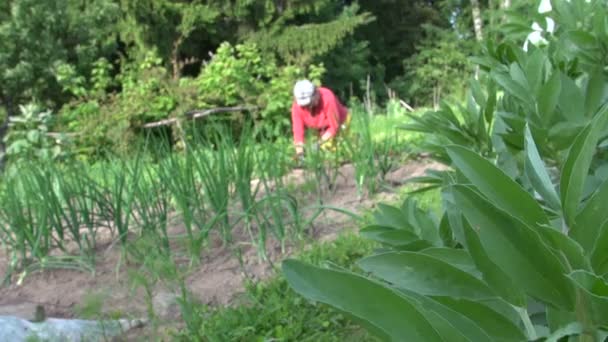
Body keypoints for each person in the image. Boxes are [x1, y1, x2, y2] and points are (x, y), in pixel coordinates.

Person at [290, 80, 350, 157]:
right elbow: (298, 132)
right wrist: (300, 153)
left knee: (334, 149)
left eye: (309, 103)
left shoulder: (327, 98)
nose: (307, 107)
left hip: (341, 123)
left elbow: (334, 126)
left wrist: (318, 143)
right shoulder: (297, 107)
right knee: (320, 152)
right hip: (321, 129)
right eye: (304, 105)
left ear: (315, 94)